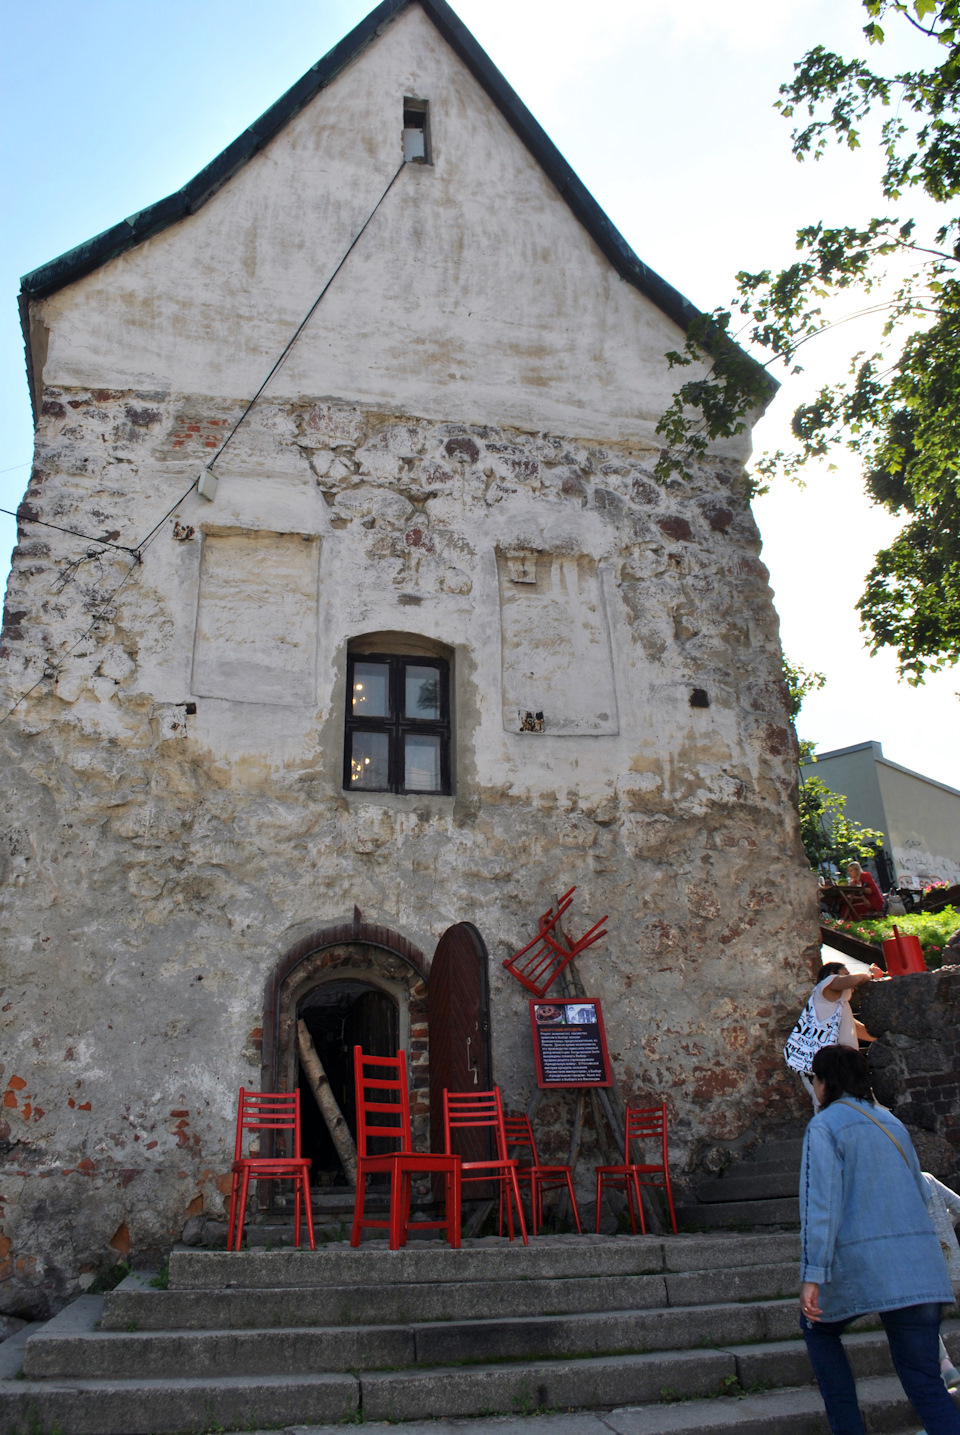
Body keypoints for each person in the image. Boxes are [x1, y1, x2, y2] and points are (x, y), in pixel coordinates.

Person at [799, 1045, 960, 1435]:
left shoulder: (824, 1126)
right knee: (925, 1381)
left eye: (815, 1079)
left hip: (862, 1265)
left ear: (824, 1083)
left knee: (817, 1330)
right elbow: (921, 1194)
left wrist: (813, 1273)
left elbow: (821, 1206)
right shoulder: (893, 1124)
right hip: (919, 1267)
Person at [784, 961, 884, 1111]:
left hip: (842, 1065)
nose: (848, 978)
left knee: (856, 1105)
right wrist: (870, 975)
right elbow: (855, 980)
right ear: (832, 975)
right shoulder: (825, 987)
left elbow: (859, 1030)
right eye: (845, 973)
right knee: (826, 1106)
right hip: (824, 1065)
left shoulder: (839, 1006)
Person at [923, 1172, 960, 1390]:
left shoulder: (891, 1188)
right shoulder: (927, 1179)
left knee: (921, 1317)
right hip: (952, 1265)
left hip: (926, 1270)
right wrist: (946, 1222)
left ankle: (946, 1365)